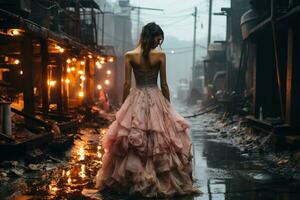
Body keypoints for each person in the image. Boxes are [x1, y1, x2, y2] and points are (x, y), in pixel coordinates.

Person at [95, 22, 200, 198]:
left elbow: (127, 84)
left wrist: (123, 108)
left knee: (137, 138)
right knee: (156, 140)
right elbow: (163, 84)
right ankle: (154, 179)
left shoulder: (130, 55)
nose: (158, 43)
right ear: (150, 36)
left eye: (160, 41)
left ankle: (132, 180)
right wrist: (168, 107)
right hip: (154, 96)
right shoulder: (160, 56)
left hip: (137, 97)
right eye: (158, 39)